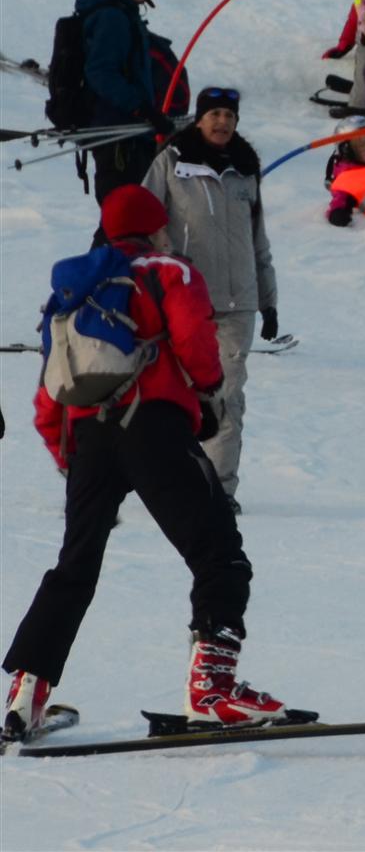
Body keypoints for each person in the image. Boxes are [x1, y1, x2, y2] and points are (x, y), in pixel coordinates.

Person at [2, 184, 294, 740]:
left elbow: (49, 392)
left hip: (88, 440)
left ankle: (25, 697)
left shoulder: (73, 290)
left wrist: (69, 455)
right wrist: (207, 395)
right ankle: (212, 689)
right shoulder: (169, 270)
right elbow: (196, 344)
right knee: (219, 552)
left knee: (74, 568)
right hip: (152, 426)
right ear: (156, 226)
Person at [139, 86, 276, 510]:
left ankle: (218, 491)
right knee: (179, 394)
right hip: (186, 300)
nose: (222, 122)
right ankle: (173, 480)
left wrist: (268, 300)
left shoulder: (246, 170)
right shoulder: (171, 162)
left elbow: (258, 240)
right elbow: (143, 218)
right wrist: (162, 269)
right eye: (214, 114)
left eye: (229, 116)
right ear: (199, 119)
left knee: (227, 397)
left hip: (239, 304)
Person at [73, 0, 177, 211]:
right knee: (123, 220)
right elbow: (101, 72)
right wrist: (143, 109)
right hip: (118, 138)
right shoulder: (113, 18)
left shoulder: (125, 15)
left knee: (132, 220)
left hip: (131, 135)